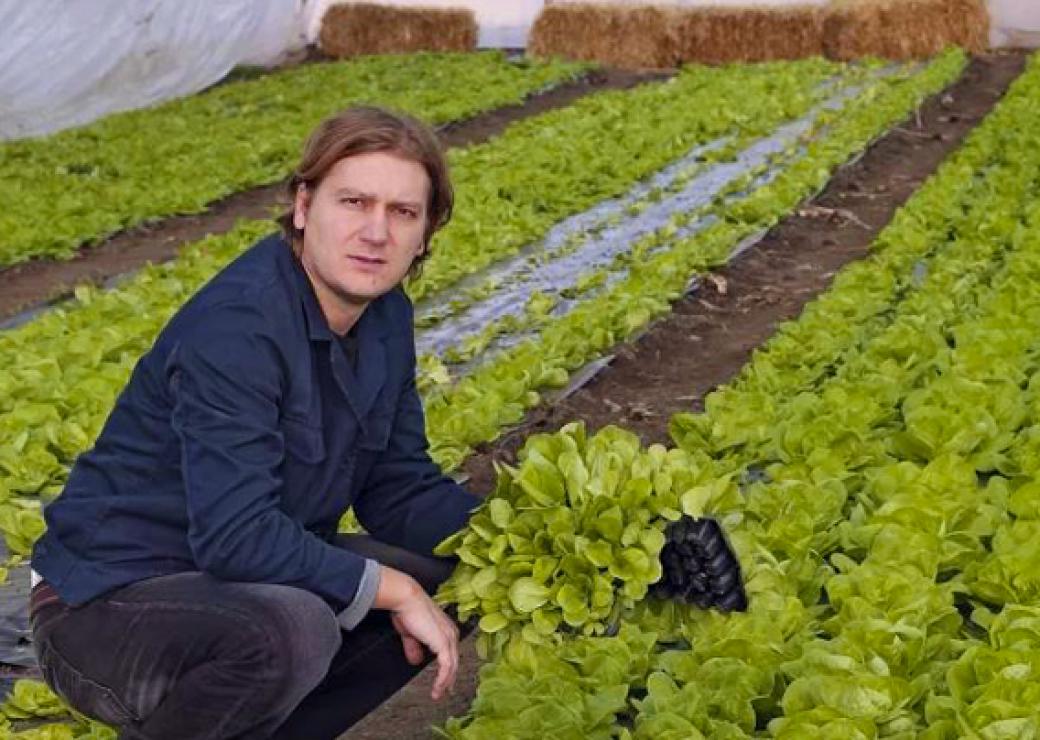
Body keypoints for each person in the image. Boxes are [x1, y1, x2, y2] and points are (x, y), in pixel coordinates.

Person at [29, 106, 482, 740]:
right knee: (290, 629)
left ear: (425, 232)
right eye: (354, 201)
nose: (375, 232)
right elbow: (236, 536)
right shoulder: (239, 327)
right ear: (303, 205)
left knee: (466, 574)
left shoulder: (384, 317)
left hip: (233, 581)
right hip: (106, 602)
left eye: (402, 212)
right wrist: (394, 589)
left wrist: (522, 534)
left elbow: (397, 483)